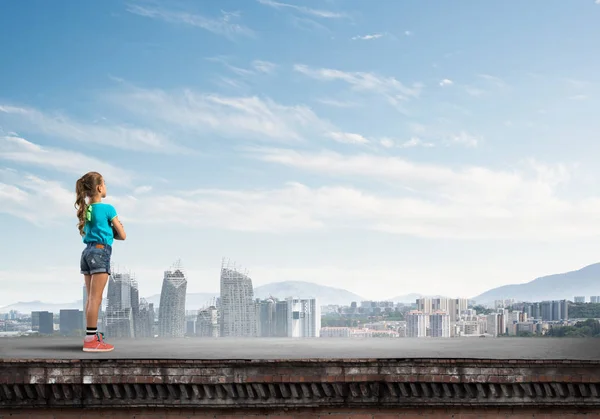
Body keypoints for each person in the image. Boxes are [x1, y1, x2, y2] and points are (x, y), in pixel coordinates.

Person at [75, 172, 126, 352]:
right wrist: (113, 229)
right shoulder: (108, 209)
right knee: (96, 298)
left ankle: (91, 335)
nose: (105, 186)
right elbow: (123, 235)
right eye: (104, 183)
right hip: (100, 252)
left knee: (90, 298)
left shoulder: (86, 209)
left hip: (86, 253)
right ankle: (91, 341)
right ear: (99, 188)